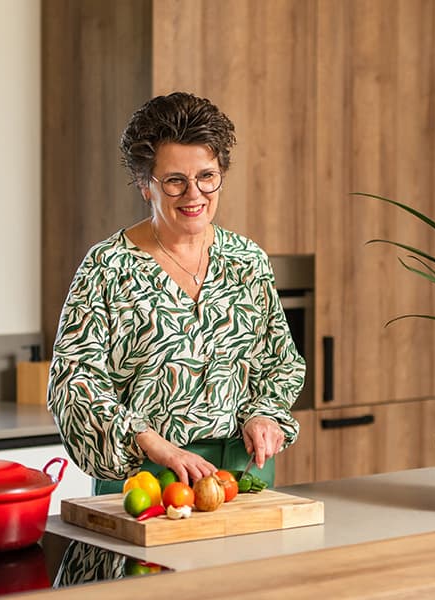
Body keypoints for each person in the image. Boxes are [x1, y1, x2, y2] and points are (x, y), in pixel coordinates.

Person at [47, 92, 305, 495]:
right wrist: (152, 443)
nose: (194, 195)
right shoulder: (108, 267)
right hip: (146, 479)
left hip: (240, 475)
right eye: (174, 181)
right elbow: (74, 385)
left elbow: (280, 364)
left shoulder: (247, 260)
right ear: (144, 184)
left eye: (206, 176)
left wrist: (265, 416)